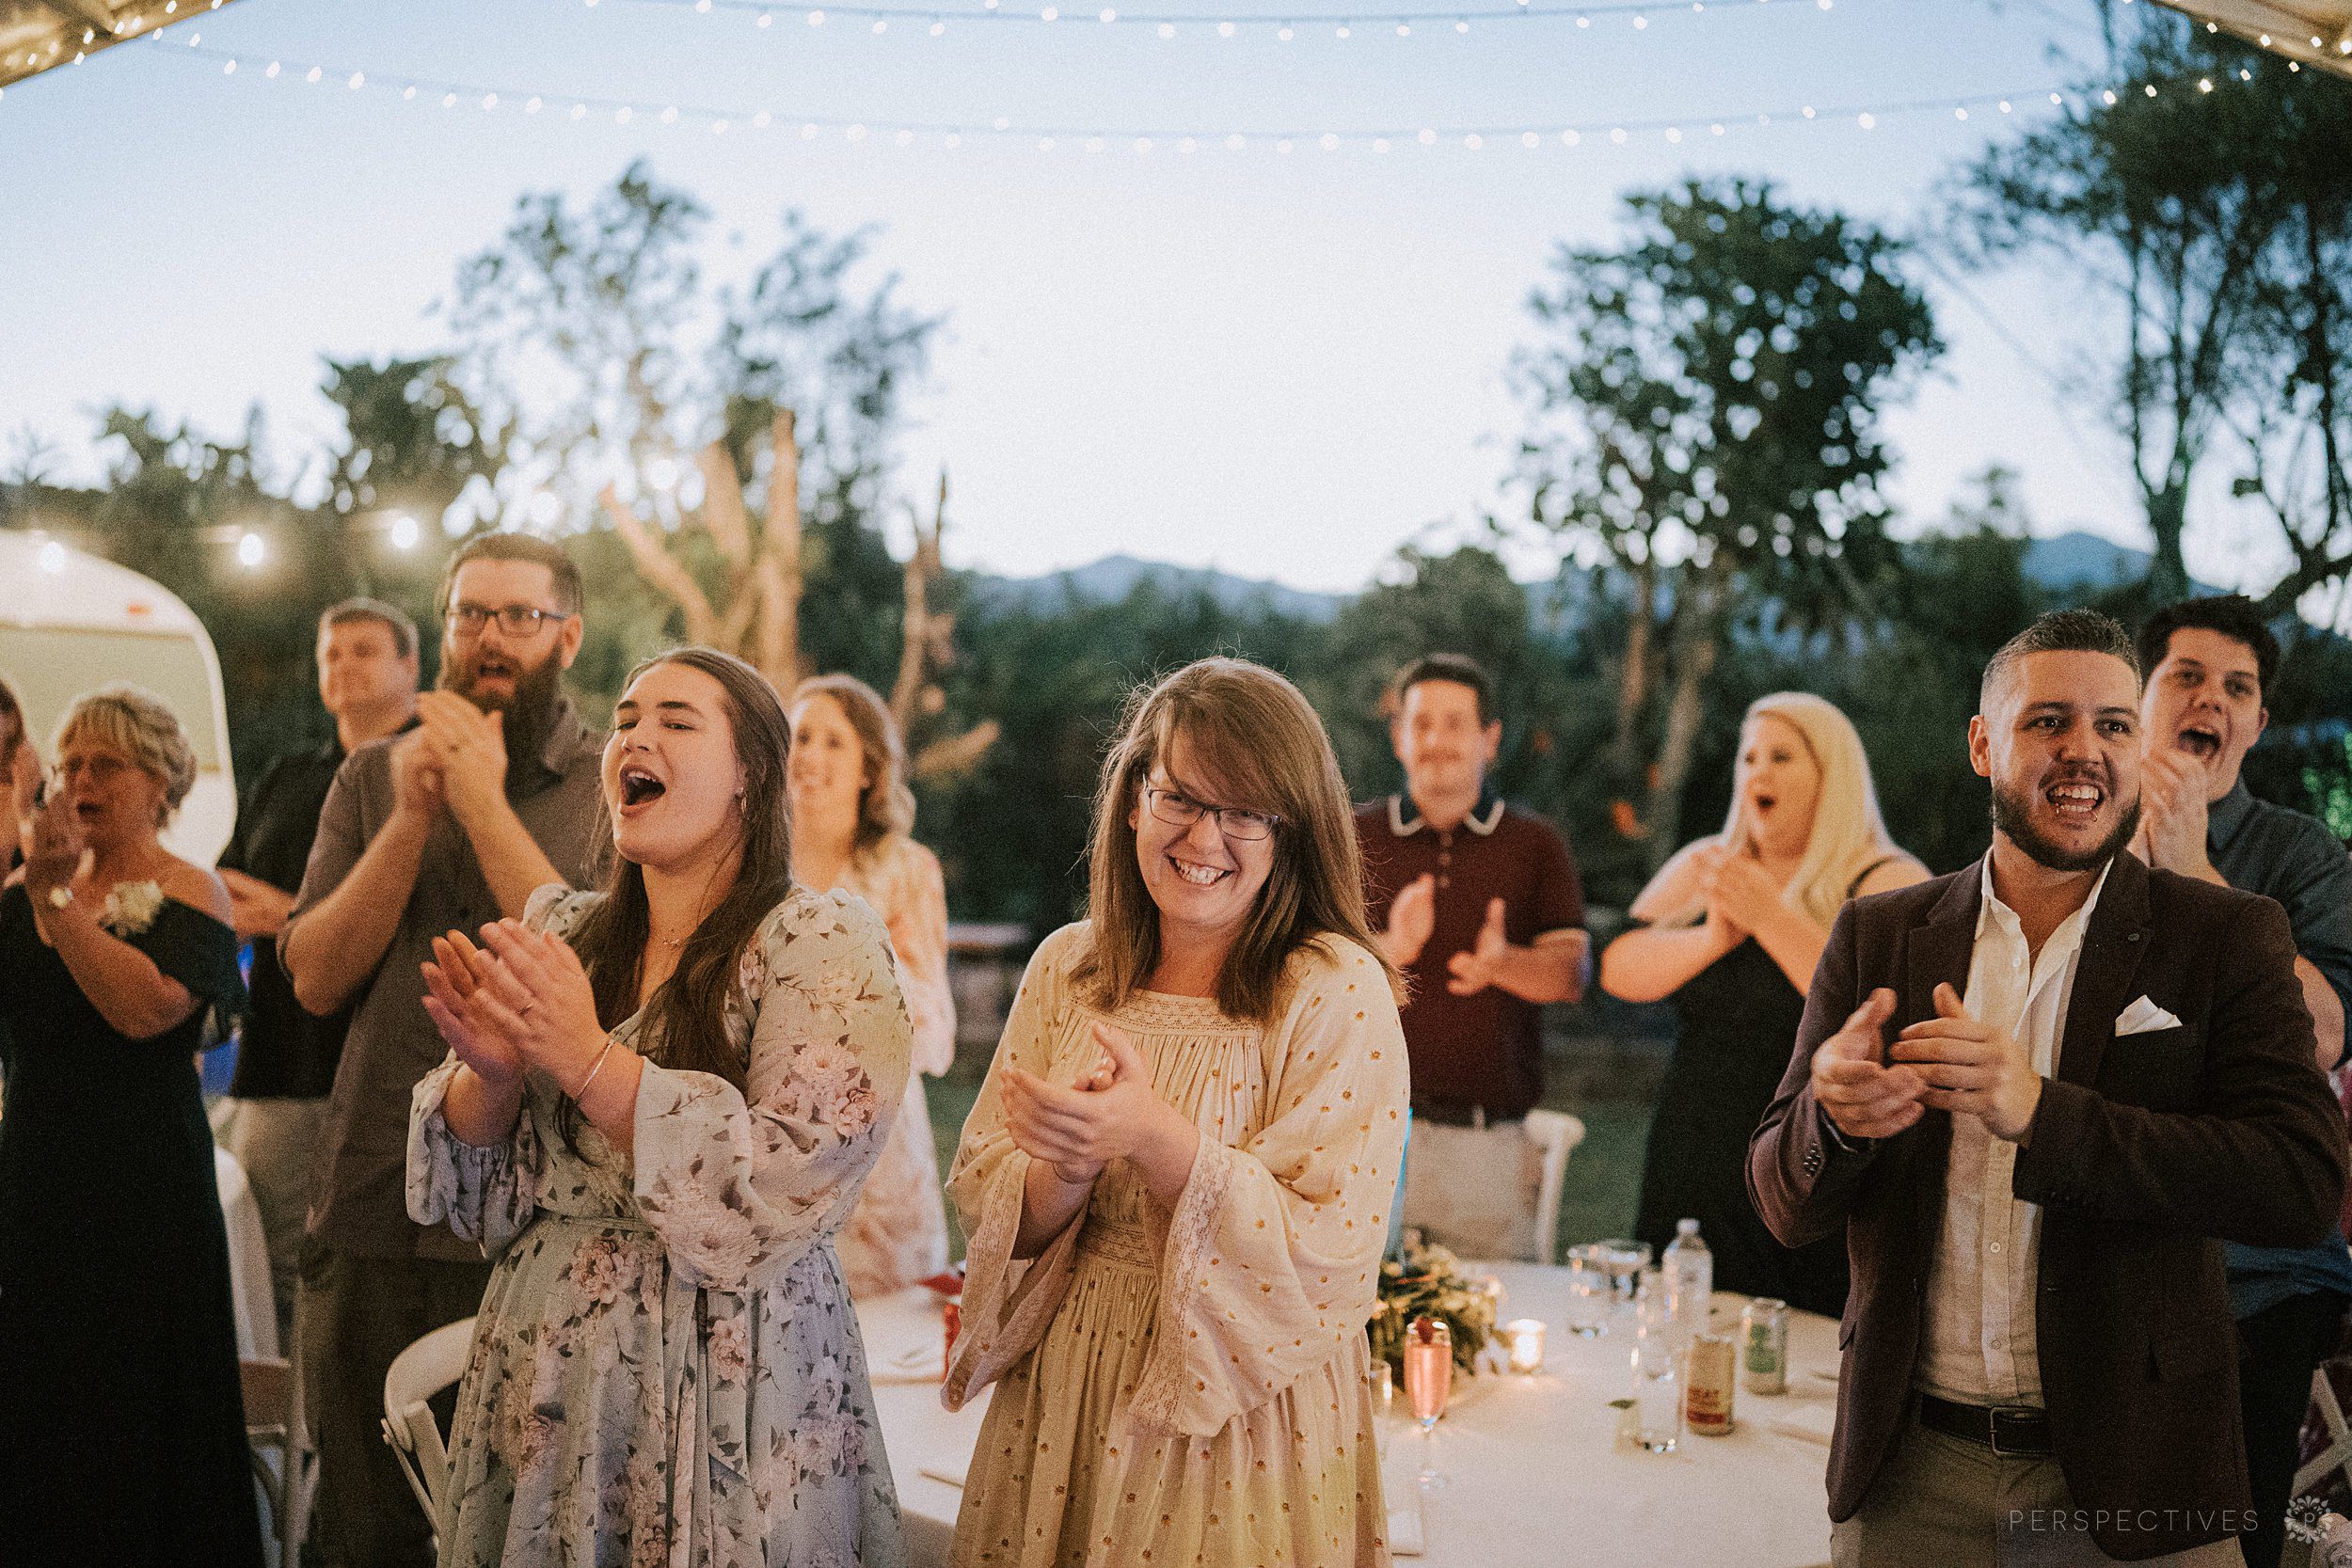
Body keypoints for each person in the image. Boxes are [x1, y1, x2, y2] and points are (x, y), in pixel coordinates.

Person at [1750, 610, 2350, 1567]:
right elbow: (1780, 1197)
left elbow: (2299, 1181)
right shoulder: (1879, 932)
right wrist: (1833, 1117)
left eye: (2114, 724)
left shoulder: (2226, 936)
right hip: (1909, 1478)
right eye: (2047, 722)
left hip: (2134, 1485)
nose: (2085, 751)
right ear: (1984, 743)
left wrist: (2042, 1111)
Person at [406, 645, 913, 1567]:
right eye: (630, 717)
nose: (636, 734)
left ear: (750, 778)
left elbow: (794, 1166)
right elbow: (475, 1187)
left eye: (678, 721)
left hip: (729, 1369)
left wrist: (592, 1061)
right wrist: (494, 1072)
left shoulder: (817, 937)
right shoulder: (560, 928)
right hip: (552, 1369)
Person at [946, 657, 1412, 1568]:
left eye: (1246, 811)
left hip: (1237, 1414)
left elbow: (1332, 1246)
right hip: (1066, 1390)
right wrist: (1066, 1168)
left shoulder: (1330, 988)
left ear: (1294, 831)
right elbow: (994, 1204)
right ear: (1131, 800)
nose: (1207, 836)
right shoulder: (1066, 968)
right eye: (1181, 798)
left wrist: (1153, 1138)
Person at [282, 534, 609, 1568]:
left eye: (518, 616)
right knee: (363, 1524)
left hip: (531, 1211)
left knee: (514, 1523)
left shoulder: (612, 781)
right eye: (470, 614)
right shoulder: (373, 776)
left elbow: (590, 967)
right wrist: (417, 809)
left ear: (569, 632)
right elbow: (314, 976)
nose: (489, 639)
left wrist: (481, 797)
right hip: (374, 1185)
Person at [0, 688, 263, 1566]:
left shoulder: (198, 892)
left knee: (137, 1393)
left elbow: (143, 1011)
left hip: (144, 1185)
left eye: (104, 764)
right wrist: (33, 885)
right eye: (69, 764)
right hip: (37, 1175)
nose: (80, 781)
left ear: (161, 783)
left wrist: (57, 908)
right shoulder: (21, 893)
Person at [2136, 595, 2352, 1568]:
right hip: (2088, 1232)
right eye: (2184, 675)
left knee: (2223, 1541)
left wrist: (2191, 868)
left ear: (2257, 723)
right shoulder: (2070, 831)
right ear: (2135, 696)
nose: (2209, 700)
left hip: (2254, 1263)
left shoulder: (2301, 854)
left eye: (2237, 687)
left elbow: (2322, 1034)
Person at [1602, 692, 1926, 1317]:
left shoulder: (1885, 875)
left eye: (1781, 756)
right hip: (1695, 1149)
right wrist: (1709, 938)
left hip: (1810, 1165)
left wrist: (1770, 918)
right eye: (1749, 757)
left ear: (1832, 775)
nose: (1758, 772)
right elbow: (1617, 965)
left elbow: (1879, 1010)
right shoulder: (1710, 863)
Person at [214, 598, 422, 1342]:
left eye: (363, 650)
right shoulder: (291, 774)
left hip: (381, 1067)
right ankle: (287, 1448)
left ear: (411, 666)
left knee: (356, 1283)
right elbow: (226, 887)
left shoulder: (430, 773)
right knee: (264, 1270)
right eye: (330, 653)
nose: (341, 665)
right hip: (277, 1056)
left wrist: (295, 915)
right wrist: (298, 915)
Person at [1355, 652, 1588, 1259]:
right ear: (1399, 738)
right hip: (1360, 1137)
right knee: (1354, 1337)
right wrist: (1391, 950)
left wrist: (1503, 963)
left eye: (1456, 723)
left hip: (1486, 1149)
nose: (1436, 739)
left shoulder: (1535, 844)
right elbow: (1304, 972)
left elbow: (1572, 975)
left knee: (1486, 1332)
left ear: (1490, 739)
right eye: (1421, 722)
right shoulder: (1352, 835)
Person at [788, 673, 957, 1297]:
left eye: (834, 741)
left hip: (877, 1165)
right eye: (801, 736)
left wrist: (850, 967)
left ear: (869, 768)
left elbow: (936, 1038)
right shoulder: (750, 874)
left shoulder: (907, 869)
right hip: (772, 1158)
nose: (809, 754)